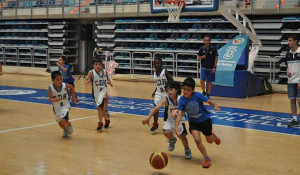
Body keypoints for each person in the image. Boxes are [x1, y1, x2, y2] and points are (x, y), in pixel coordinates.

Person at [175, 77, 221, 168]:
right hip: (193, 122)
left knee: (209, 141)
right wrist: (176, 127)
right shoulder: (182, 100)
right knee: (197, 139)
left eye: (188, 90)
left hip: (205, 121)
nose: (185, 91)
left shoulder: (198, 95)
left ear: (193, 90)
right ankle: (207, 158)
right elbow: (179, 113)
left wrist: (215, 105)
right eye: (184, 89)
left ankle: (213, 137)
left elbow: (208, 101)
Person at [142, 81, 191, 159]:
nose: (169, 92)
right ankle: (172, 140)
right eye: (167, 90)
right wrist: (148, 118)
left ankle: (187, 149)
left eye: (171, 89)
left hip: (180, 120)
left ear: (177, 90)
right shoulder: (166, 99)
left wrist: (177, 110)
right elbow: (156, 108)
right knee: (167, 132)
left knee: (181, 136)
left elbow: (185, 109)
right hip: (169, 120)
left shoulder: (181, 99)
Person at [84, 58, 113, 132]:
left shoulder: (104, 71)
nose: (98, 66)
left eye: (99, 64)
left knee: (99, 107)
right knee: (102, 110)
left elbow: (107, 78)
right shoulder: (91, 72)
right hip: (95, 93)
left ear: (101, 65)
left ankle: (100, 123)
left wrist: (110, 83)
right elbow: (86, 79)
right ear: (93, 65)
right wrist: (87, 82)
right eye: (96, 64)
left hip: (103, 92)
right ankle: (106, 119)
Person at [48, 71, 75, 138]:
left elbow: (72, 87)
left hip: (65, 105)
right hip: (56, 107)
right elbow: (50, 98)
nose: (60, 81)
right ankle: (65, 130)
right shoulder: (50, 88)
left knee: (63, 120)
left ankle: (68, 124)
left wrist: (74, 97)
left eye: (61, 79)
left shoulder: (65, 85)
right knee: (59, 122)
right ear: (53, 80)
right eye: (58, 80)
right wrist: (54, 100)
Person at [150, 57, 174, 132]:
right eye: (155, 64)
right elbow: (158, 84)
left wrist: (171, 90)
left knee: (168, 110)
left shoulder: (165, 71)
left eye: (158, 63)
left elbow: (171, 80)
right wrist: (154, 91)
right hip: (159, 93)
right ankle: (155, 123)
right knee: (155, 108)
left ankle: (168, 124)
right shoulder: (154, 73)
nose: (157, 65)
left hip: (167, 93)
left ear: (161, 64)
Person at [286, 35, 300, 127]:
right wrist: (287, 70)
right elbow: (288, 64)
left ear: (295, 41)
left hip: (299, 81)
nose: (288, 42)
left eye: (290, 40)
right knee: (292, 100)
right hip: (291, 81)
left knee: (299, 100)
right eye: (288, 40)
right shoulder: (288, 53)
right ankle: (294, 120)